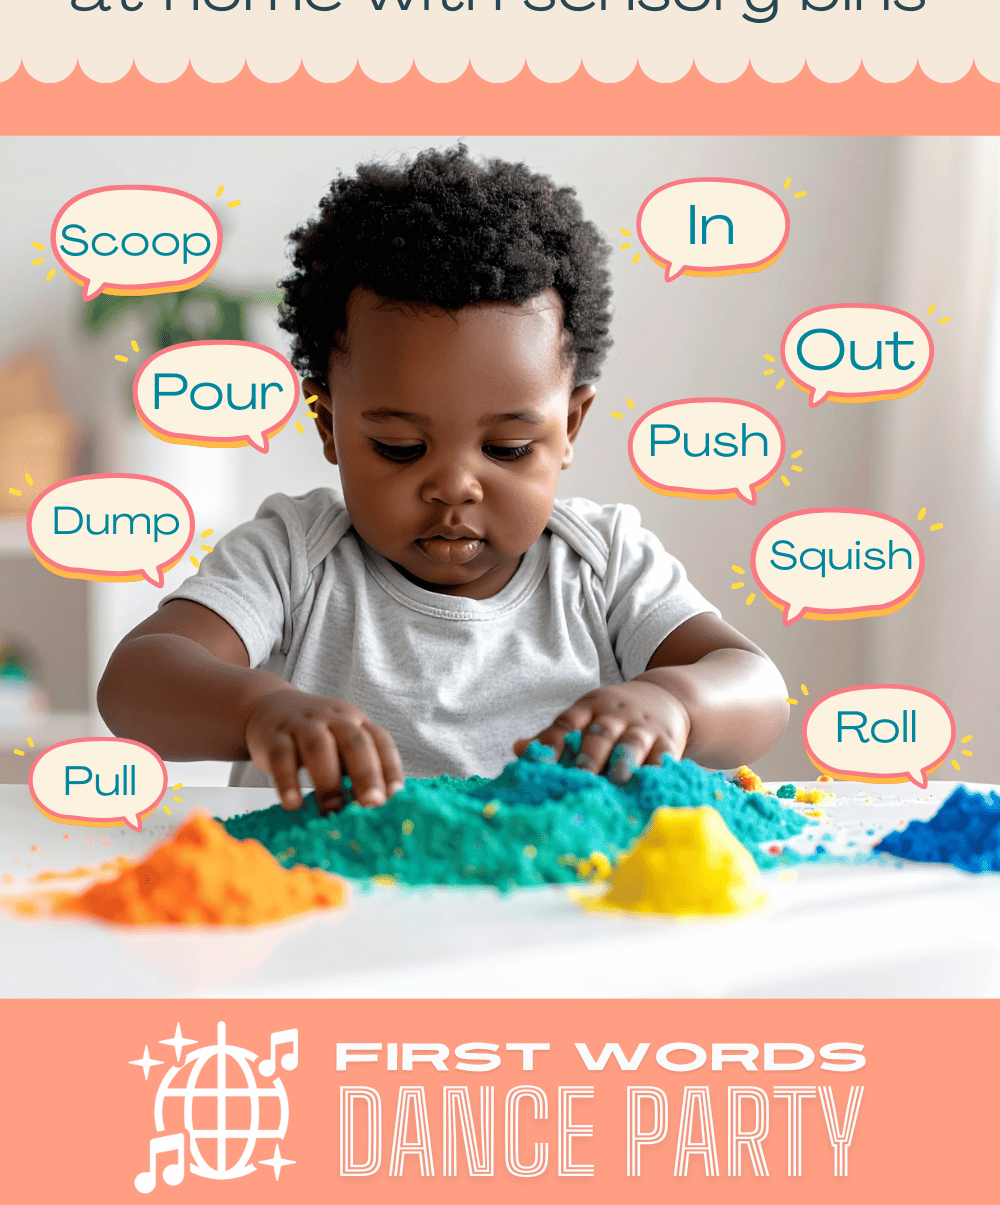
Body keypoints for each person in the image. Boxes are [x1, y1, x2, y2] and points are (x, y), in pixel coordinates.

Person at [98, 145, 788, 813]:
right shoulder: (294, 557)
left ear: (570, 426)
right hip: (326, 908)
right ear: (329, 423)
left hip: (554, 909)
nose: (455, 485)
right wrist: (260, 709)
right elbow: (135, 682)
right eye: (401, 447)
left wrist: (676, 704)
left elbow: (757, 687)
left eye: (510, 447)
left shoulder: (603, 566)